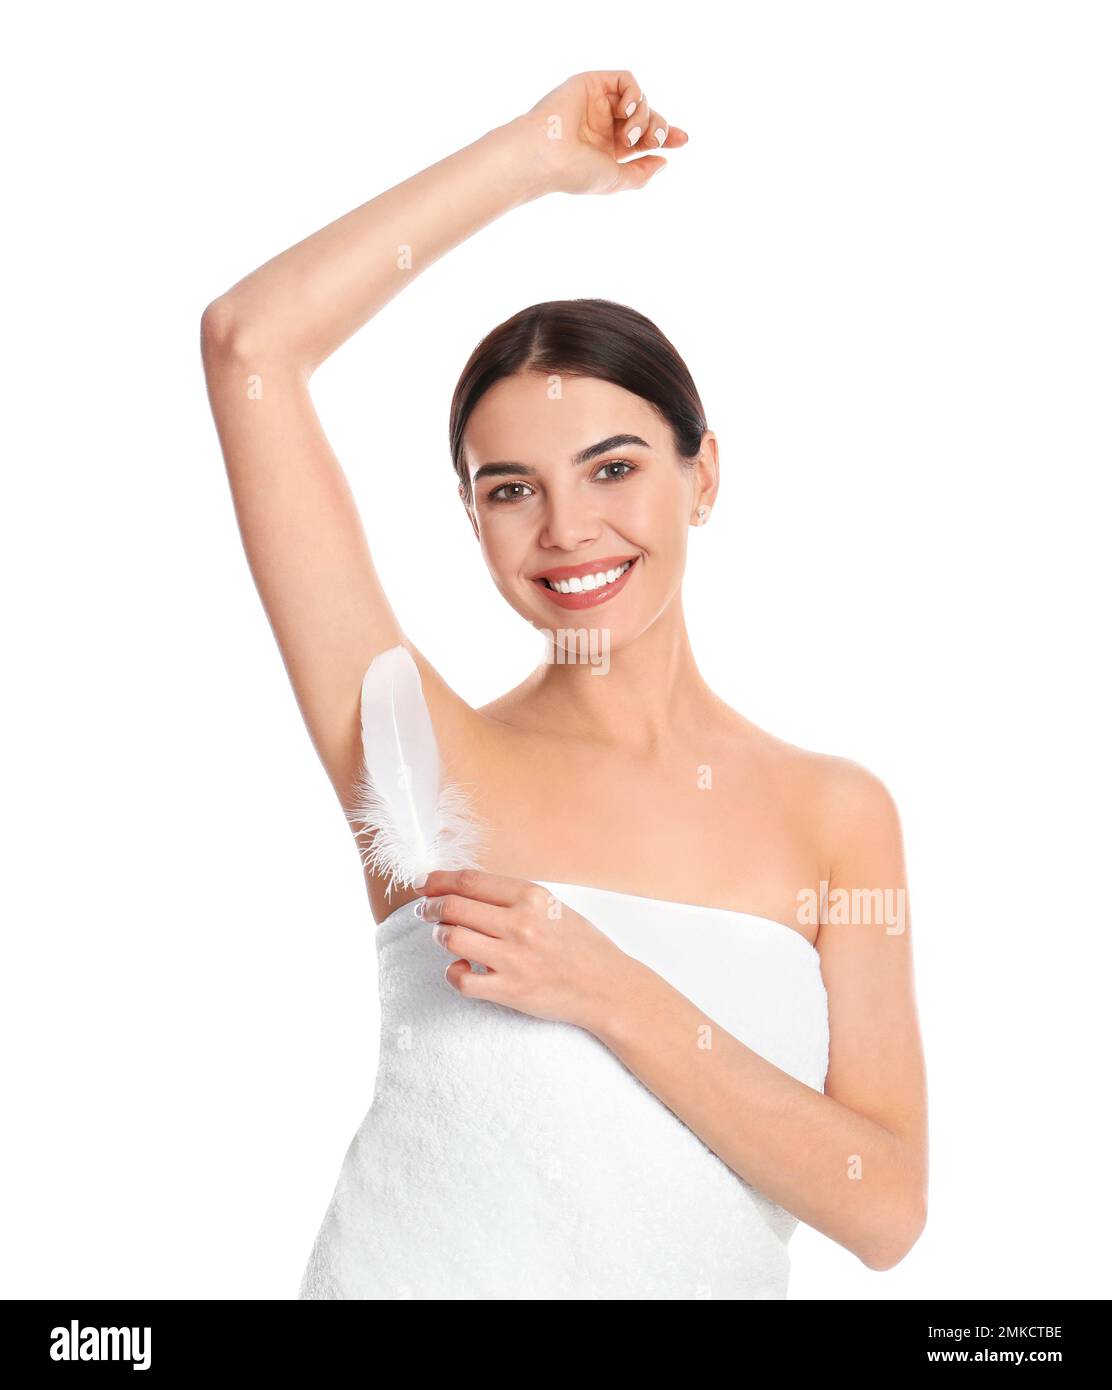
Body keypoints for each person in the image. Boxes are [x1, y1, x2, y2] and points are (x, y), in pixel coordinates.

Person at [200, 68, 928, 1300]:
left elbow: (884, 1206)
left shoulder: (834, 818)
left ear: (702, 477)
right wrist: (533, 155)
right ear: (472, 518)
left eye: (612, 468)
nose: (566, 530)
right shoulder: (419, 759)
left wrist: (605, 987)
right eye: (509, 488)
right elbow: (247, 343)